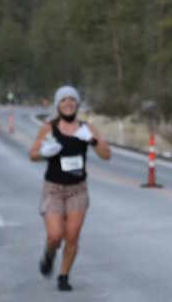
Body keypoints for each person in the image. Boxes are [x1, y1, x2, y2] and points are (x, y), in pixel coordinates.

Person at [29, 85, 111, 289]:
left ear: (77, 104)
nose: (68, 103)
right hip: (53, 189)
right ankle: (49, 253)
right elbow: (32, 154)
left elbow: (106, 155)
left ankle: (63, 276)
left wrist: (91, 140)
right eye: (63, 100)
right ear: (58, 105)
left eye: (72, 99)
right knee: (55, 235)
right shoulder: (49, 127)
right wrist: (44, 152)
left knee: (72, 235)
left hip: (77, 190)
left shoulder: (87, 128)